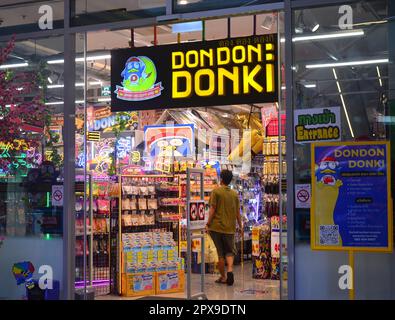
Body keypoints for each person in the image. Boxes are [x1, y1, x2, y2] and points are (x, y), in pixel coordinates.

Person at [206, 169, 242, 286]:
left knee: (220, 253)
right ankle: (230, 270)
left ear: (221, 179)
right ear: (231, 180)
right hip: (230, 228)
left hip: (216, 227)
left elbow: (212, 209)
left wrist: (207, 223)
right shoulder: (234, 194)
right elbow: (237, 212)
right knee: (229, 251)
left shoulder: (216, 192)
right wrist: (240, 226)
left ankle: (223, 277)